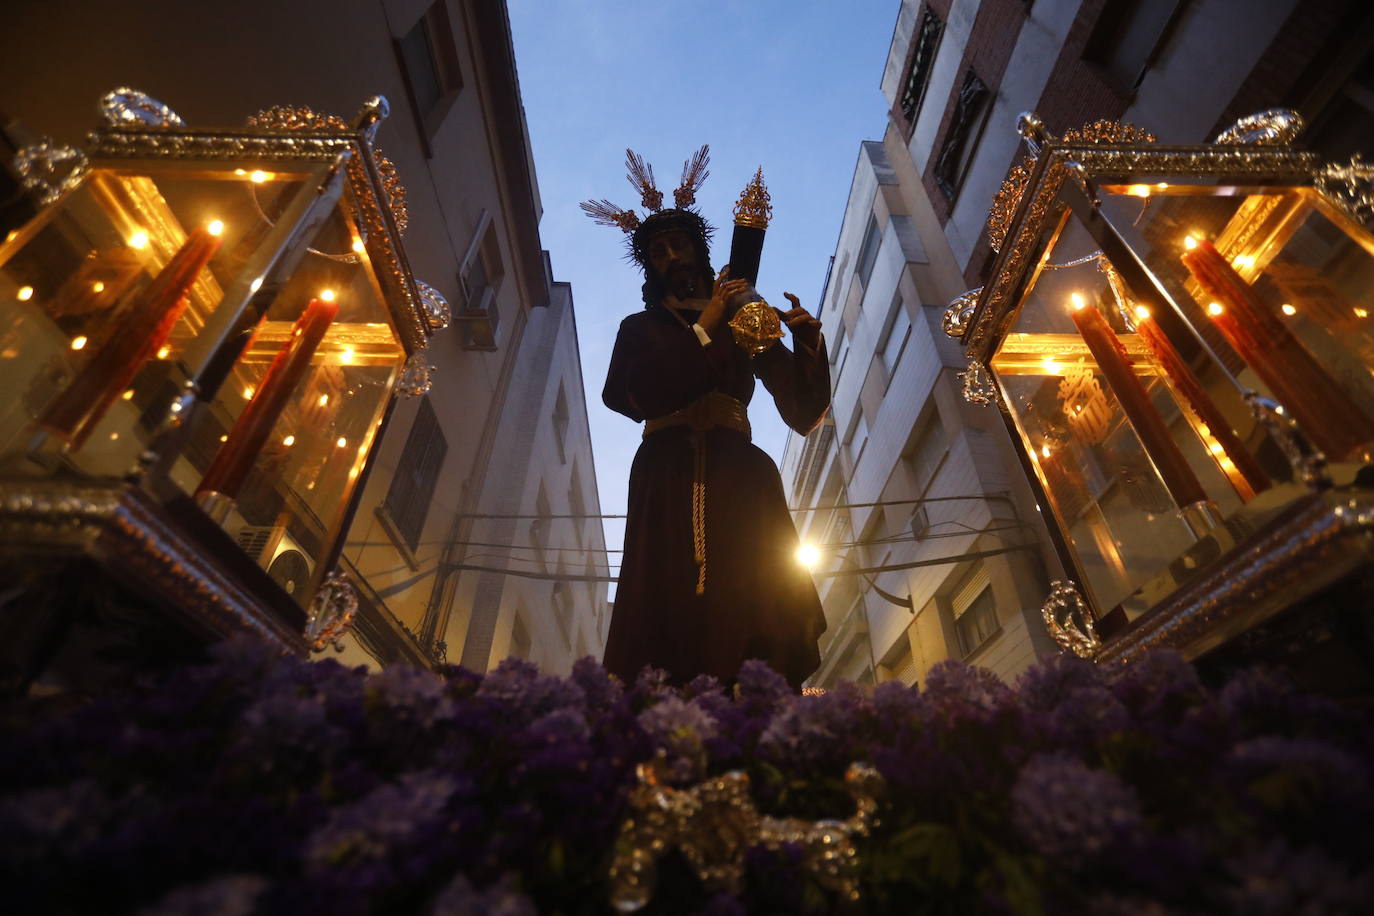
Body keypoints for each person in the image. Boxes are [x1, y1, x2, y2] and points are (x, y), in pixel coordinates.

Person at [596, 200, 831, 690]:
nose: (671, 256)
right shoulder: (638, 329)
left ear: (700, 251)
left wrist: (808, 343)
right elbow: (628, 396)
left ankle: (755, 697)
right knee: (662, 588)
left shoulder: (746, 319)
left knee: (754, 588)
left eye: (679, 244)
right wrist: (706, 324)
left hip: (739, 474)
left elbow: (803, 411)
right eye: (658, 251)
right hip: (664, 474)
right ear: (650, 266)